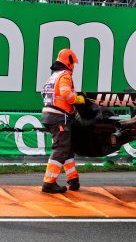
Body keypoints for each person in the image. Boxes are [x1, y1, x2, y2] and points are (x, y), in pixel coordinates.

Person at [41, 49, 85, 193]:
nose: (74, 67)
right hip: (59, 117)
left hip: (49, 115)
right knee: (60, 150)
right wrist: (78, 99)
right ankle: (49, 183)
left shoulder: (53, 76)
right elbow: (67, 95)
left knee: (67, 148)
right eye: (73, 64)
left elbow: (44, 93)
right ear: (69, 61)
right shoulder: (65, 76)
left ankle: (73, 179)